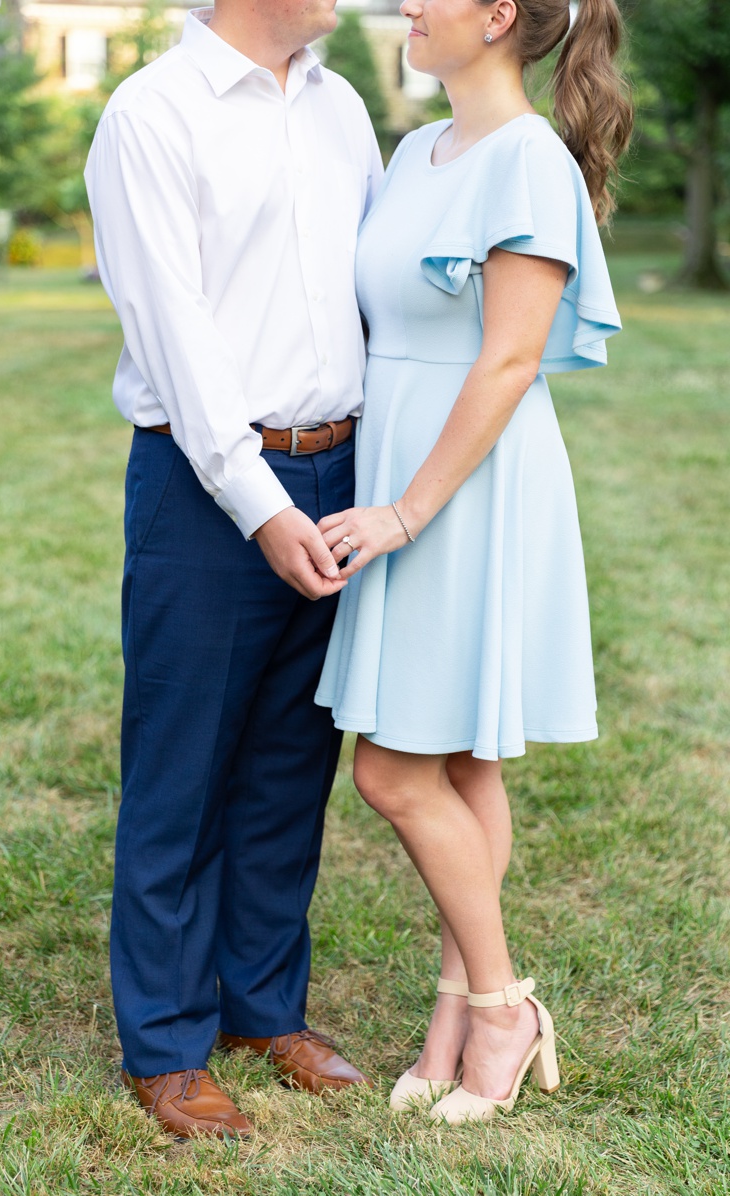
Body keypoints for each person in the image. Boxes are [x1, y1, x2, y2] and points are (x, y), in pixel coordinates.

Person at [313, 0, 630, 1123]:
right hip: (405, 462)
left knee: (393, 773)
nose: (405, 6)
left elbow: (506, 362)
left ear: (497, 14)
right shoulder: (415, 150)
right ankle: (456, 1010)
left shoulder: (528, 162)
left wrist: (404, 509)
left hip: (463, 482)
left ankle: (501, 1004)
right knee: (461, 766)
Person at [84, 0, 381, 1140]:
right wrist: (258, 502)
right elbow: (176, 331)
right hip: (208, 486)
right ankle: (164, 1038)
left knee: (289, 760)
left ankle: (265, 1005)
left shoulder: (342, 106)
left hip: (342, 469)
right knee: (182, 766)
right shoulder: (150, 115)